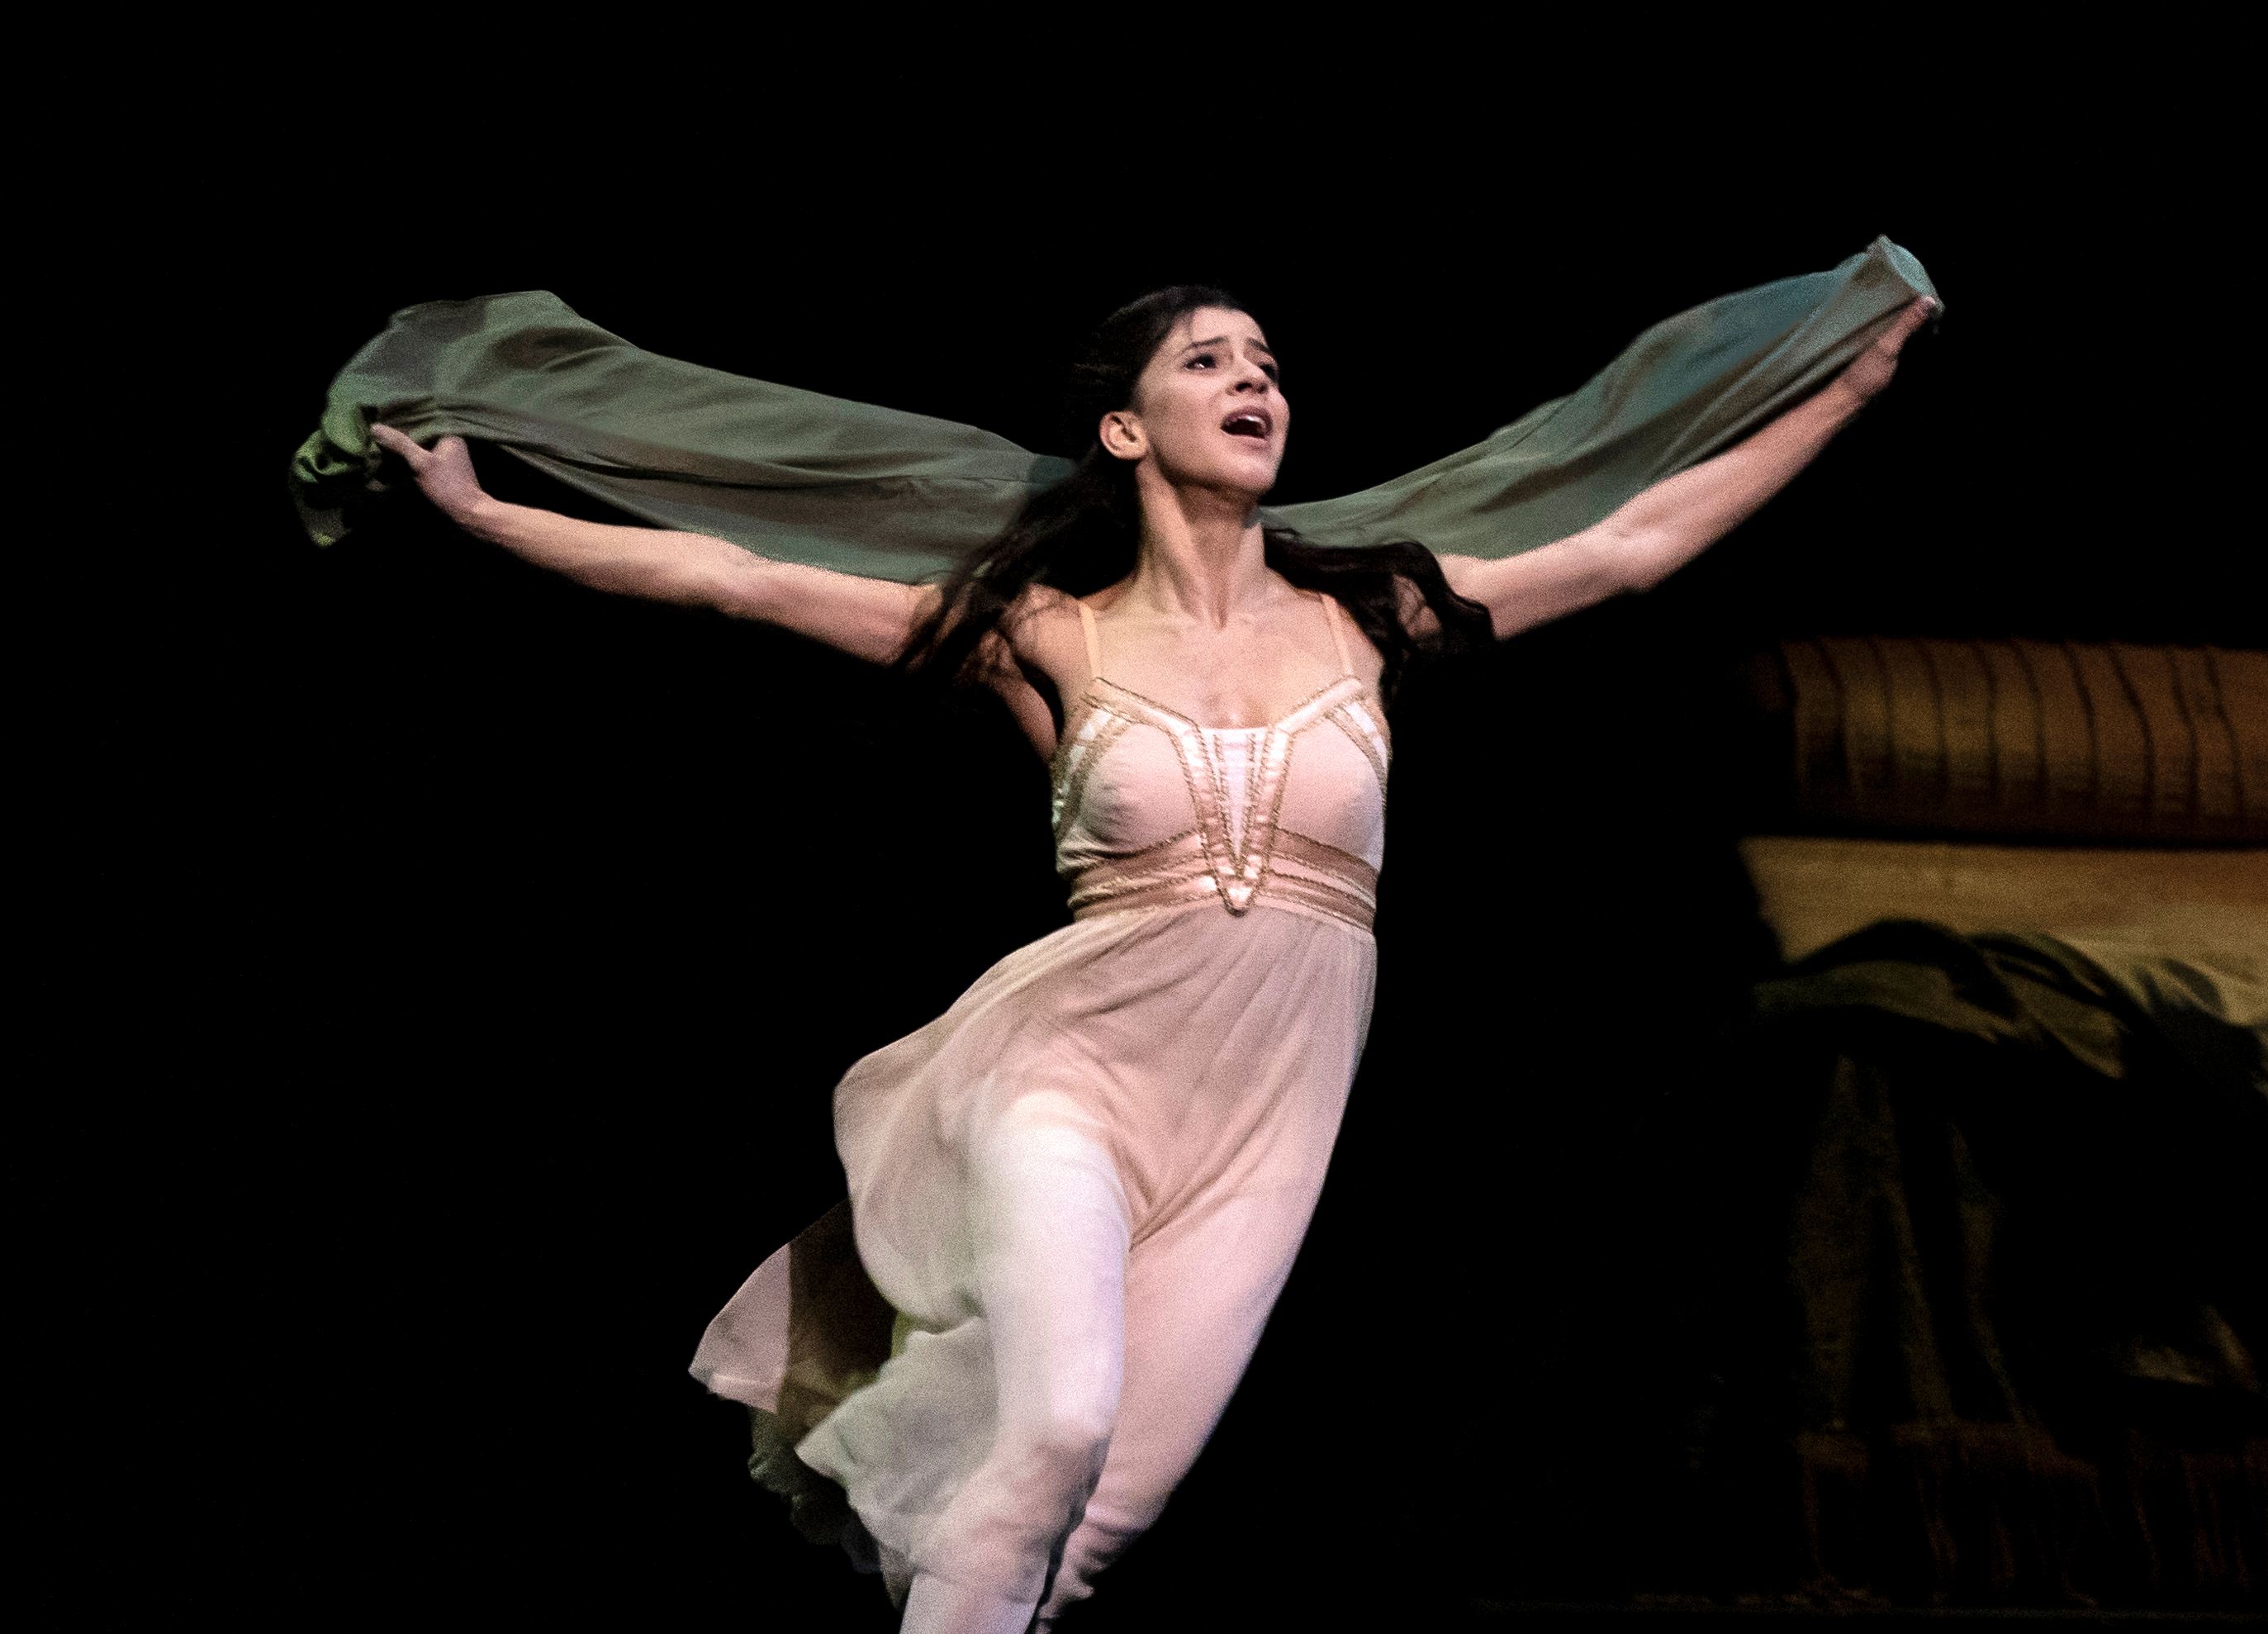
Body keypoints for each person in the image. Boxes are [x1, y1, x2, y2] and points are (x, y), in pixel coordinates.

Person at [372, 283, 1936, 1633]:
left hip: (1263, 1120)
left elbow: (1641, 539)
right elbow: (735, 575)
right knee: (1049, 1431)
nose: (1254, 376)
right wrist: (481, 511)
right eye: (1207, 359)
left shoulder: (1371, 615)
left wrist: (1853, 386)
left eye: (1264, 357)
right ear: (1123, 430)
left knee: (1089, 1526)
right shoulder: (1046, 632)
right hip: (1068, 1074)